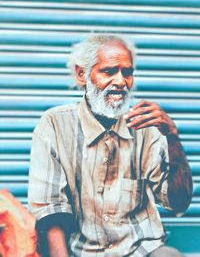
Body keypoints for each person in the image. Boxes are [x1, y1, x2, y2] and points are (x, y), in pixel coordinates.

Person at [28, 34, 193, 257]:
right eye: (109, 71)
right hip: (81, 251)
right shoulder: (55, 125)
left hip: (140, 249)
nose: (121, 81)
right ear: (81, 74)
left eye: (128, 72)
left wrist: (172, 138)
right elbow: (51, 210)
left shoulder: (147, 126)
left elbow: (178, 203)